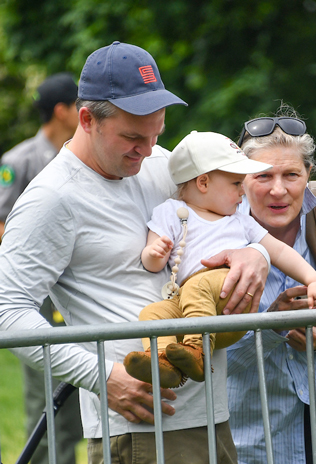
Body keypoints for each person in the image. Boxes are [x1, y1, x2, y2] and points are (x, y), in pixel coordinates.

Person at [0, 41, 268, 464]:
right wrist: (103, 378)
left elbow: (235, 222)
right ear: (86, 119)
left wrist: (256, 255)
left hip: (210, 414)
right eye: (131, 137)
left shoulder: (163, 165)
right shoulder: (51, 198)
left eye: (155, 133)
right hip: (140, 431)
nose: (147, 150)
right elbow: (7, 310)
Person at [225, 104, 316, 464]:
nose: (278, 190)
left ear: (309, 173)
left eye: (291, 175)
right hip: (243, 429)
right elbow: (206, 348)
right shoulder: (217, 231)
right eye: (262, 176)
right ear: (240, 179)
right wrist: (271, 326)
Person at [124, 131, 316, 388]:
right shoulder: (172, 213)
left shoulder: (240, 221)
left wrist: (313, 280)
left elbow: (279, 252)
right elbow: (151, 263)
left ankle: (197, 350)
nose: (243, 191)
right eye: (235, 184)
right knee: (153, 312)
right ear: (203, 183)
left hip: (232, 301)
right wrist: (155, 253)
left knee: (198, 287)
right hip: (194, 304)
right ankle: (164, 362)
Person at [0, 72, 82, 464]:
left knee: (77, 390)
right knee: (44, 396)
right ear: (62, 111)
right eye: (78, 103)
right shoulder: (17, 161)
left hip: (75, 293)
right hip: (36, 299)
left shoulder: (82, 156)